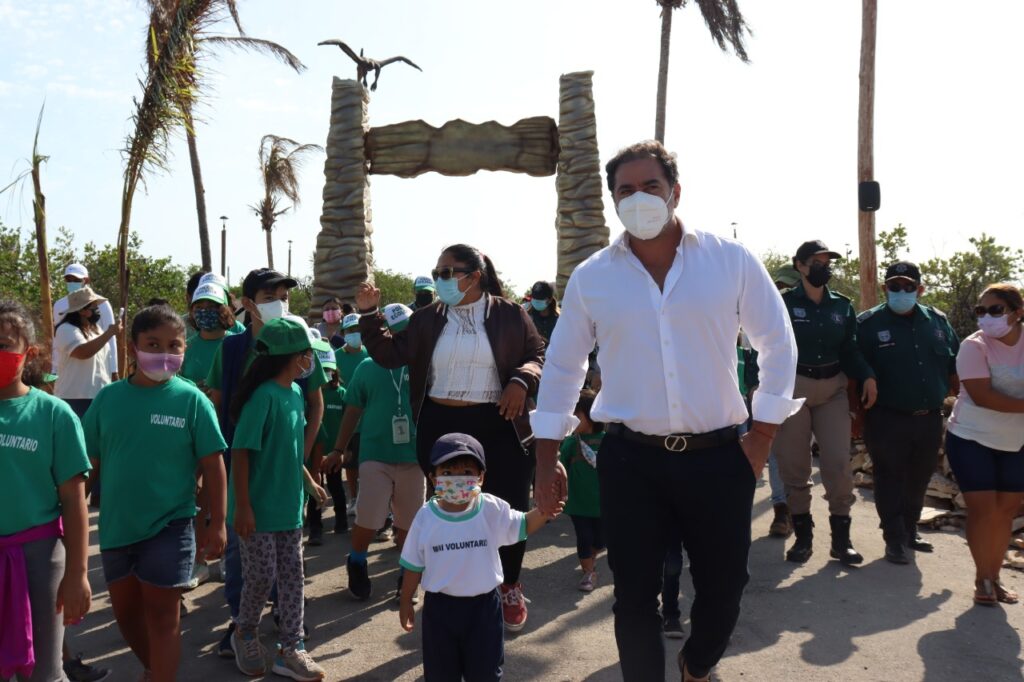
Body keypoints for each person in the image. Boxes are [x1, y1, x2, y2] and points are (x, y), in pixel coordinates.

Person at [532, 140, 800, 682]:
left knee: (726, 588)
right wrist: (545, 458)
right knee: (634, 596)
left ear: (675, 191)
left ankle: (696, 664)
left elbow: (777, 343)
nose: (638, 199)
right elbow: (562, 367)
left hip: (719, 456)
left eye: (650, 186)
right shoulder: (592, 277)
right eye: (625, 190)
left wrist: (762, 435)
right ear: (613, 201)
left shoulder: (729, 260)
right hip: (631, 460)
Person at [355, 243, 545, 631]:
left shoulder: (510, 314)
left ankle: (509, 584)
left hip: (500, 421)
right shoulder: (426, 319)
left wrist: (521, 380)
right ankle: (454, 587)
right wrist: (369, 314)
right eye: (437, 273)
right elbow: (390, 354)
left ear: (473, 277)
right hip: (441, 425)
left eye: (447, 272)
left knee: (507, 504)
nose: (440, 279)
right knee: (453, 509)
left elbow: (537, 354)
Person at [82, 304, 227, 682]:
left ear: (184, 349)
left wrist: (218, 523)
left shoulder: (192, 400)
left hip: (171, 525)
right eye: (153, 344)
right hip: (117, 527)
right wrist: (70, 514)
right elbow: (89, 464)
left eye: (174, 345)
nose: (164, 353)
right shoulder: (107, 399)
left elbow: (214, 464)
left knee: (163, 616)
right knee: (127, 616)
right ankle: (154, 671)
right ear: (133, 347)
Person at [205, 268, 325, 658]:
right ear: (249, 302)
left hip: (285, 490)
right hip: (248, 484)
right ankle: (242, 627)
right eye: (270, 296)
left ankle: (291, 638)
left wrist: (299, 467)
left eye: (284, 296)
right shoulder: (235, 355)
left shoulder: (294, 380)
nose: (280, 303)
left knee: (290, 570)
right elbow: (219, 409)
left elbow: (314, 407)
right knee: (247, 565)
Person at [398, 433, 562, 681]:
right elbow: (413, 564)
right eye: (448, 473)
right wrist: (406, 601)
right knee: (440, 673)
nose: (457, 479)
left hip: (484, 609)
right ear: (433, 478)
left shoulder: (490, 509)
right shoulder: (425, 517)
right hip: (440, 611)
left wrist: (545, 511)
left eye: (466, 472)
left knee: (485, 672)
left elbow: (522, 524)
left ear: (481, 477)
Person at [227, 317, 328, 680]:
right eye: (306, 354)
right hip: (257, 511)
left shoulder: (296, 393)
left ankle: (291, 647)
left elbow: (290, 450)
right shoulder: (263, 397)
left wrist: (309, 482)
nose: (310, 361)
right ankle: (244, 632)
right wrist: (243, 506)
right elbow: (241, 452)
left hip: (289, 508)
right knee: (261, 575)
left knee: (293, 577)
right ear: (291, 356)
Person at [0, 301, 92, 682]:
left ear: (30, 352)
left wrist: (78, 574)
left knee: (44, 673)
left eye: (4, 344)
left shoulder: (55, 414)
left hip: (40, 559)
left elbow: (73, 500)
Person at [773, 240, 877, 566]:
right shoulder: (783, 304)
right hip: (794, 389)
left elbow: (850, 348)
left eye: (827, 263)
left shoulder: (841, 306)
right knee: (795, 466)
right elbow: (769, 346)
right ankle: (803, 538)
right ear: (800, 266)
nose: (824, 268)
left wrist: (867, 375)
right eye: (817, 263)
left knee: (838, 463)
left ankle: (841, 542)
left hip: (832, 389)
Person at [857, 261, 959, 564]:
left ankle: (910, 530)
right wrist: (856, 413)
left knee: (919, 477)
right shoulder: (868, 324)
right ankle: (893, 538)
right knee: (888, 477)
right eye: (894, 286)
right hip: (886, 417)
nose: (901, 291)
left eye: (908, 286)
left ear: (920, 289)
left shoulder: (938, 322)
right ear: (884, 288)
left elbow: (955, 364)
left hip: (928, 418)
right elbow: (854, 367)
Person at [323, 304, 425, 601]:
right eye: (397, 333)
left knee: (409, 523)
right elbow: (353, 410)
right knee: (368, 519)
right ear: (385, 334)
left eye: (408, 332)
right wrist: (339, 449)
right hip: (375, 455)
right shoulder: (367, 367)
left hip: (413, 457)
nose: (404, 338)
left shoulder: (423, 364)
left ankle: (407, 576)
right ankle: (357, 561)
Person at [944, 283, 1024, 605]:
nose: (986, 317)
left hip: (1016, 441)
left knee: (1005, 512)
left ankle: (995, 576)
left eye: (995, 310)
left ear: (1017, 313)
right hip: (971, 438)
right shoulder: (973, 346)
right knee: (983, 509)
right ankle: (983, 580)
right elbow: (982, 396)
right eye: (981, 310)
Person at [558, 389, 604, 594]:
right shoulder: (570, 442)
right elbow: (562, 468)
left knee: (601, 540)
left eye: (576, 414)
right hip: (578, 504)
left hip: (604, 504)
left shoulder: (608, 441)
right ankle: (589, 572)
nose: (572, 419)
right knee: (584, 537)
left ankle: (591, 557)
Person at [307, 336, 347, 542]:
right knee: (314, 488)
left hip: (333, 454)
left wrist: (343, 450)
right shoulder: (308, 396)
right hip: (313, 453)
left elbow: (349, 424)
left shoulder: (342, 394)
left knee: (336, 487)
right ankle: (315, 527)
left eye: (328, 370)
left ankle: (342, 520)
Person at [53, 263, 119, 381]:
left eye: (76, 280)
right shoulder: (59, 306)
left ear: (86, 280)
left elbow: (111, 340)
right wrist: (54, 369)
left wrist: (114, 370)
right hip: (72, 369)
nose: (71, 283)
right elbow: (58, 341)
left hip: (99, 368)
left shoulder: (103, 304)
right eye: (68, 279)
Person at [335, 313, 370, 513]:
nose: (355, 333)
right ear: (343, 333)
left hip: (369, 419)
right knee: (350, 464)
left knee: (368, 464)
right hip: (346, 419)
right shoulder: (336, 356)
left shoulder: (370, 354)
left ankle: (366, 499)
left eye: (358, 329)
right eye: (350, 330)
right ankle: (354, 498)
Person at [180, 282, 238, 389]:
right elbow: (175, 381)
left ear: (224, 310)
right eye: (199, 307)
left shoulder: (238, 344)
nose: (204, 311)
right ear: (192, 312)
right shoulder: (185, 348)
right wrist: (193, 389)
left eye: (211, 306)